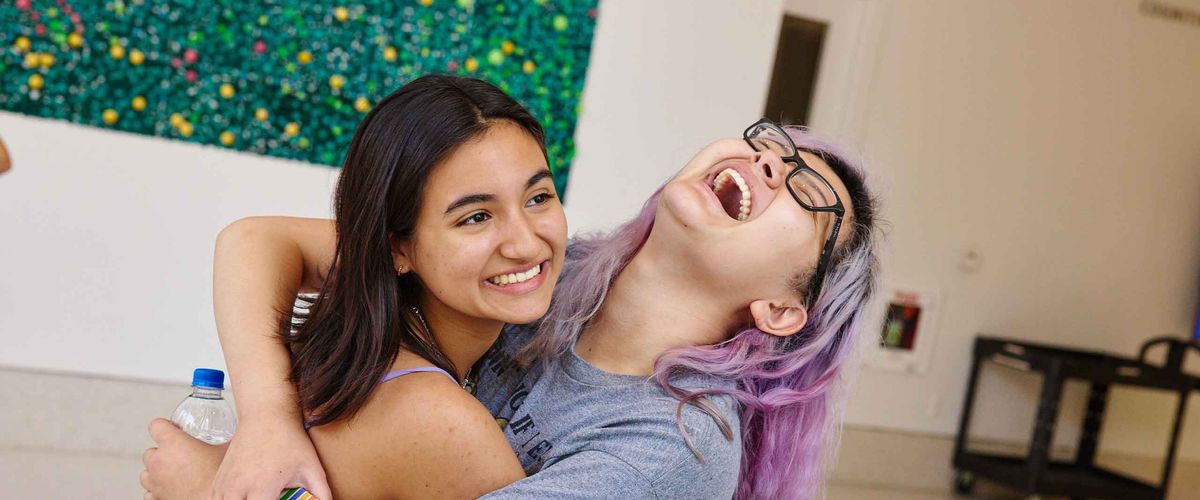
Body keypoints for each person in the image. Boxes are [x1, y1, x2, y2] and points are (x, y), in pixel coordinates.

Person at [146, 118, 879, 499]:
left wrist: (211, 491)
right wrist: (268, 425)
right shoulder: (546, 269)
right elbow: (259, 242)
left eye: (810, 196)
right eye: (770, 146)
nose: (772, 165)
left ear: (782, 311)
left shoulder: (674, 451)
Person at [141, 74, 568, 499]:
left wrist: (260, 424)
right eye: (476, 217)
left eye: (539, 197)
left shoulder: (361, 344)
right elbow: (252, 238)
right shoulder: (440, 422)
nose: (526, 243)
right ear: (398, 248)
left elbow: (255, 238)